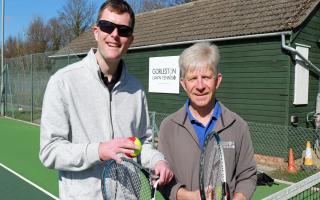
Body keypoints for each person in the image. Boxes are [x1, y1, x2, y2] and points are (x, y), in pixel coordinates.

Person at [39, 1, 172, 199]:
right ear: (96, 32)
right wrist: (99, 151)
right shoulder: (63, 81)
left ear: (131, 40)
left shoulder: (136, 90)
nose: (115, 34)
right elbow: (50, 151)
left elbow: (142, 145)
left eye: (123, 30)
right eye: (107, 26)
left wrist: (157, 161)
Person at [158, 42, 257, 200]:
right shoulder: (168, 127)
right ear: (183, 84)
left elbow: (248, 176)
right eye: (192, 79)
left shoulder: (238, 126)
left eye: (206, 77)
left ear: (217, 80)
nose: (200, 86)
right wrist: (188, 196)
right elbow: (162, 181)